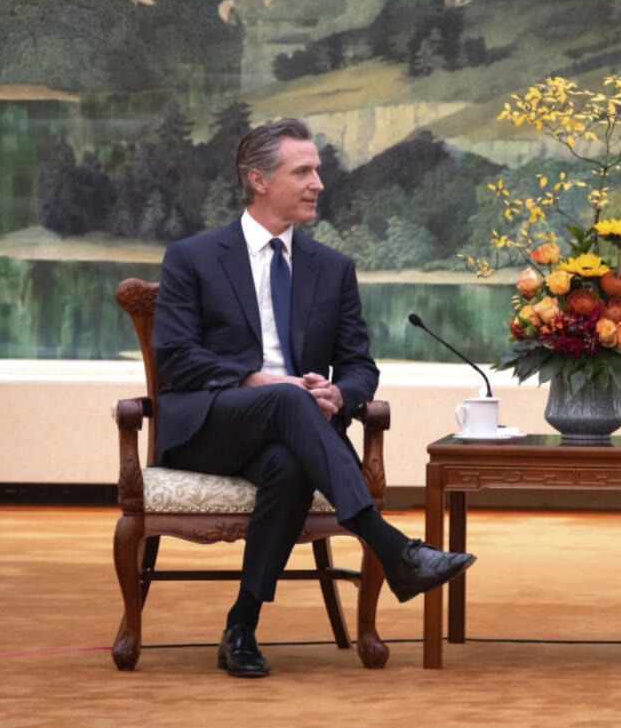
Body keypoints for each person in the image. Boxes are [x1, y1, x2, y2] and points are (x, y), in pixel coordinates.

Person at [152, 117, 475, 678]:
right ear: (258, 179)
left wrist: (337, 393)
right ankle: (390, 546)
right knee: (285, 400)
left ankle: (241, 627)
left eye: (317, 170)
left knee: (289, 460)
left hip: (292, 432)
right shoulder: (194, 257)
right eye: (302, 171)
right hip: (210, 426)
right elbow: (176, 357)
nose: (318, 182)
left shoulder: (332, 268)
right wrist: (259, 380)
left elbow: (358, 366)